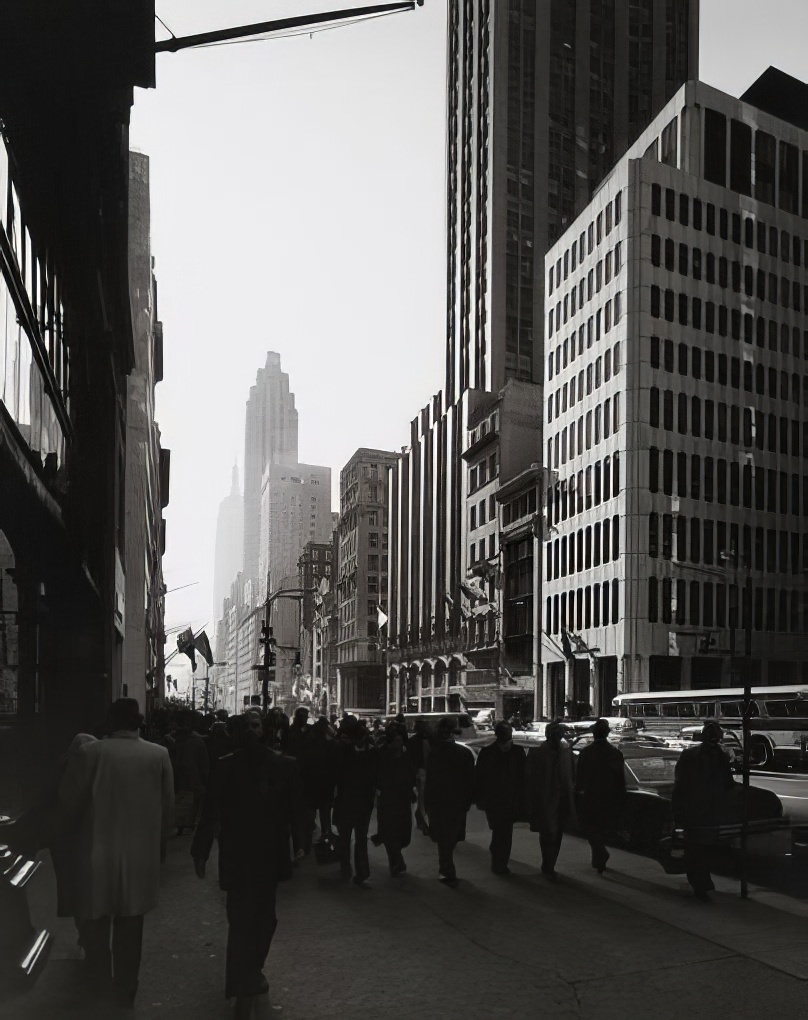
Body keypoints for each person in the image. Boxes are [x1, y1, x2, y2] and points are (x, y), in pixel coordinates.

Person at [56, 698, 174, 1005]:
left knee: (95, 930)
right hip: (139, 860)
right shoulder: (158, 755)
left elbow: (68, 805)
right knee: (130, 930)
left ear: (110, 722)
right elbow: (168, 809)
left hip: (93, 854)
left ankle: (98, 987)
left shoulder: (89, 753)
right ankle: (125, 990)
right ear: (139, 722)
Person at [192, 712, 297, 1019]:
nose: (252, 731)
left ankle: (247, 978)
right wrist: (201, 850)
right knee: (242, 921)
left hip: (265, 856)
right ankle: (246, 982)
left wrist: (300, 842)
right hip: (240, 855)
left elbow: (293, 809)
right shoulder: (226, 766)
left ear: (263, 730)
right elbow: (210, 813)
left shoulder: (282, 764)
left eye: (256, 725)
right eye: (247, 726)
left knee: (264, 921)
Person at [672, 719, 736, 900]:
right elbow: (728, 784)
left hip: (692, 810)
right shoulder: (722, 757)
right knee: (706, 849)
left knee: (694, 849)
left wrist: (677, 809)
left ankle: (699, 882)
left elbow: (680, 784)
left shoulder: (689, 755)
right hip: (712, 811)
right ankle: (703, 882)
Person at [424, 716, 475, 888]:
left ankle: (446, 868)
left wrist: (427, 804)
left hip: (440, 802)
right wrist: (468, 801)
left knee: (443, 838)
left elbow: (430, 781)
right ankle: (447, 868)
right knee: (451, 836)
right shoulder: (464, 753)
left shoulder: (434, 754)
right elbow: (470, 780)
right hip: (457, 802)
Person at [574, 718, 626, 874]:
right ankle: (599, 856)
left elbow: (580, 777)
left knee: (591, 829)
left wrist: (578, 792)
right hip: (609, 797)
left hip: (590, 797)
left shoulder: (586, 753)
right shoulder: (615, 753)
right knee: (602, 828)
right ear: (608, 733)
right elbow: (619, 779)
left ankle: (599, 855)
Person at [474, 721, 526, 875]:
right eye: (503, 732)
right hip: (494, 799)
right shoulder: (487, 752)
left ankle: (500, 863)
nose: (506, 735)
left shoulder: (517, 752)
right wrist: (480, 798)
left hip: (510, 799)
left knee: (504, 832)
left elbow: (523, 777)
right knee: (499, 830)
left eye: (507, 732)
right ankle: (498, 856)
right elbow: (480, 777)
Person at [525, 720, 574, 880]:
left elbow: (570, 776)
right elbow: (530, 779)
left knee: (557, 832)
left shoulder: (566, 753)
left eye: (560, 734)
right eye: (555, 734)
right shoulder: (537, 753)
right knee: (547, 832)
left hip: (562, 798)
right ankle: (547, 863)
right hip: (545, 799)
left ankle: (551, 862)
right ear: (548, 735)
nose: (558, 736)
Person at [333, 717, 378, 887]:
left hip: (346, 798)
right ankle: (362, 872)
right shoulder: (370, 750)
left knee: (345, 837)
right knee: (360, 838)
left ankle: (346, 867)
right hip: (363, 800)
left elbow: (336, 772)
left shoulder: (341, 748)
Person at [376, 722, 417, 876]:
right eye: (397, 741)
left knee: (402, 831)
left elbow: (410, 773)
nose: (399, 744)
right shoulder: (383, 755)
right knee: (390, 830)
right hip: (388, 798)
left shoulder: (405, 755)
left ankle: (396, 858)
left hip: (403, 798)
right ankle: (396, 860)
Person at [173, 710, 210, 834]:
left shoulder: (175, 741)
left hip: (179, 779)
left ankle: (181, 823)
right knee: (194, 801)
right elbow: (203, 764)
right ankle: (189, 822)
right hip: (194, 779)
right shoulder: (198, 742)